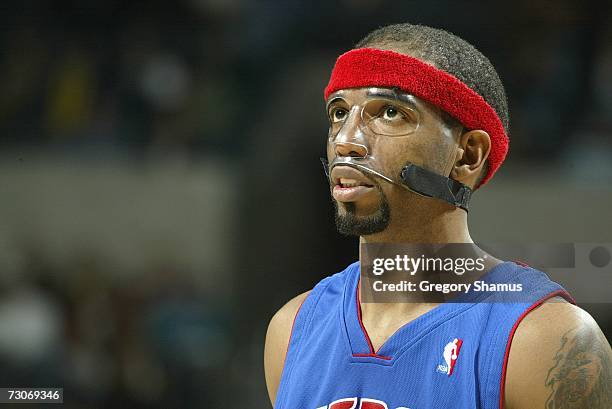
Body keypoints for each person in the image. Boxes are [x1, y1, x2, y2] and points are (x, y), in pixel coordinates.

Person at [264, 23, 612, 409]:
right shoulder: (292, 329)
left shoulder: (544, 342)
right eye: (339, 113)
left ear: (467, 156)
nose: (346, 139)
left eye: (390, 113)